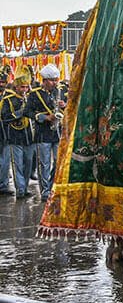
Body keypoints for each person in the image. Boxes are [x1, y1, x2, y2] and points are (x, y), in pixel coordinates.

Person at [25, 63, 65, 201]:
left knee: (58, 161)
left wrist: (63, 106)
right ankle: (45, 190)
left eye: (56, 80)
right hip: (43, 133)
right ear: (45, 80)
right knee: (44, 163)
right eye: (53, 80)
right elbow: (27, 112)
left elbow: (66, 109)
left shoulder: (58, 92)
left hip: (57, 132)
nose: (55, 83)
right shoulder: (34, 94)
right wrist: (44, 117)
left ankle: (53, 185)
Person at [0, 67, 34, 199]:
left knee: (28, 163)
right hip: (14, 137)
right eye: (22, 87)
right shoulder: (8, 100)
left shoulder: (30, 98)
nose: (24, 90)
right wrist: (22, 112)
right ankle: (20, 190)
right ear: (16, 87)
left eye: (26, 87)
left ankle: (25, 188)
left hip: (29, 137)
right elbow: (5, 117)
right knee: (18, 165)